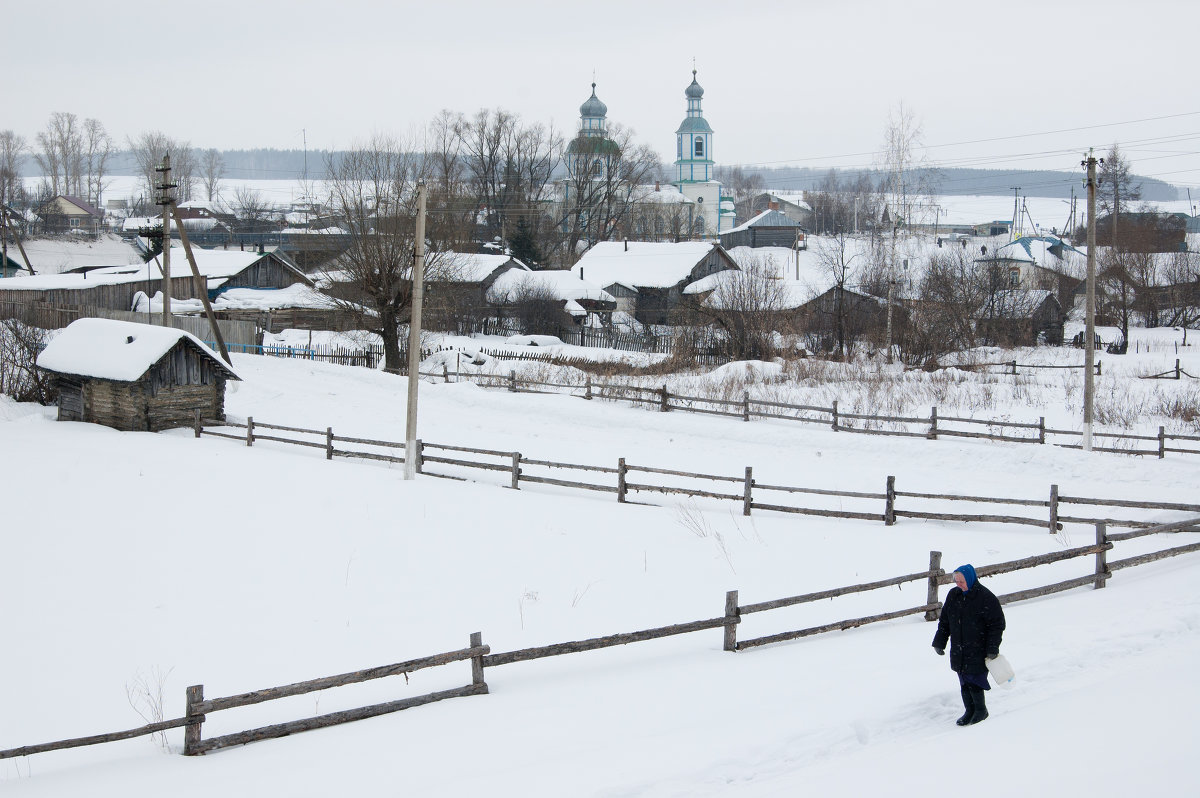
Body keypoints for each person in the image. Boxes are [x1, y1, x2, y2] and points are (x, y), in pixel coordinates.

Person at [932, 563, 1005, 726]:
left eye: (961, 581)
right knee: (963, 680)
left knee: (975, 679)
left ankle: (980, 710)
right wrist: (939, 642)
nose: (959, 585)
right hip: (959, 648)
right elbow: (945, 622)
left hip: (978, 648)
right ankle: (969, 710)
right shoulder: (954, 595)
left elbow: (997, 625)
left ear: (970, 579)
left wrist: (993, 648)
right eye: (956, 581)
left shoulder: (985, 598)